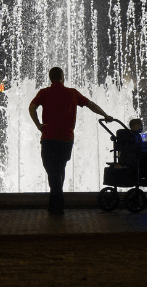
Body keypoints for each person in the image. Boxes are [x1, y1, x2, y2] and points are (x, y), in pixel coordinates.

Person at [28, 66, 113, 215]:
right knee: (59, 169)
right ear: (62, 77)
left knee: (52, 171)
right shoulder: (72, 93)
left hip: (48, 137)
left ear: (50, 78)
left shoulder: (44, 93)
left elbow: (32, 107)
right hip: (66, 139)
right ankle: (57, 204)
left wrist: (38, 125)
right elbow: (91, 105)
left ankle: (56, 206)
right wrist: (105, 115)